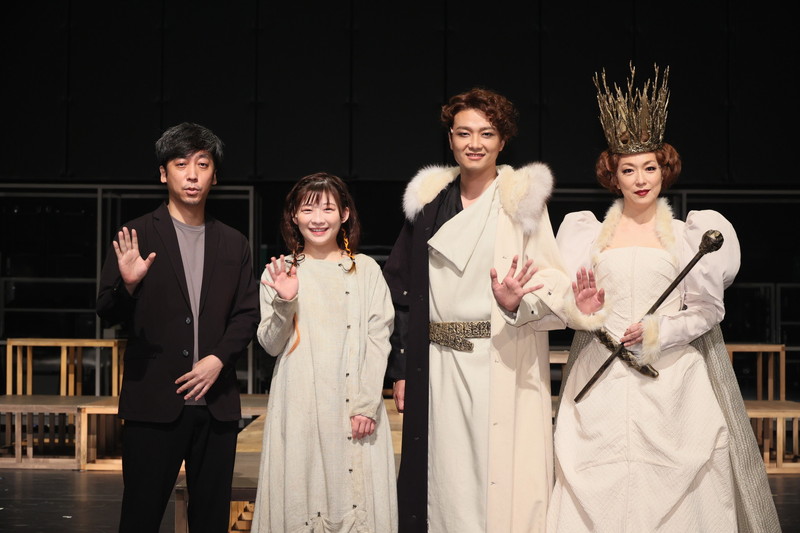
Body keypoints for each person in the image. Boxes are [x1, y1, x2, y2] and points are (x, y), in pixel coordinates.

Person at [547, 65, 781, 532]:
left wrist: (660, 330)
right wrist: (583, 313)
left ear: (664, 170)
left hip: (671, 379)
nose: (640, 179)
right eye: (628, 169)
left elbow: (708, 309)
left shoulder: (690, 234)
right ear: (613, 176)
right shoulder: (585, 235)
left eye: (649, 168)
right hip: (601, 374)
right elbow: (571, 308)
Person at [383, 88, 570, 532]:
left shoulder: (521, 200)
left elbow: (555, 281)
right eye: (464, 133)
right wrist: (403, 370)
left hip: (499, 357)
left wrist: (517, 301)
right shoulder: (430, 202)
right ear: (450, 138)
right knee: (444, 477)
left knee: (494, 475)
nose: (474, 143)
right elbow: (402, 291)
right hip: (438, 364)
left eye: (487, 133)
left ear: (502, 141)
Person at [96, 122, 260, 533]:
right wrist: (127, 286)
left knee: (211, 521)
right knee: (140, 518)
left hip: (216, 406)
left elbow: (247, 314)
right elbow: (106, 311)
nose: (192, 175)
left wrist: (218, 360)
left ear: (214, 176)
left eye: (202, 165)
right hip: (153, 403)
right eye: (181, 164)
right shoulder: (136, 234)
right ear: (163, 173)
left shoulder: (234, 242)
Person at [251, 172, 398, 532]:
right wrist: (285, 302)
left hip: (352, 406)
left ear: (344, 214)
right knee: (302, 494)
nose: (318, 219)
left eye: (328, 209)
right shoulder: (280, 271)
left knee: (354, 498)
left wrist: (366, 404)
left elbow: (379, 339)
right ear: (294, 216)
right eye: (308, 210)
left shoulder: (365, 270)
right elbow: (270, 344)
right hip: (299, 405)